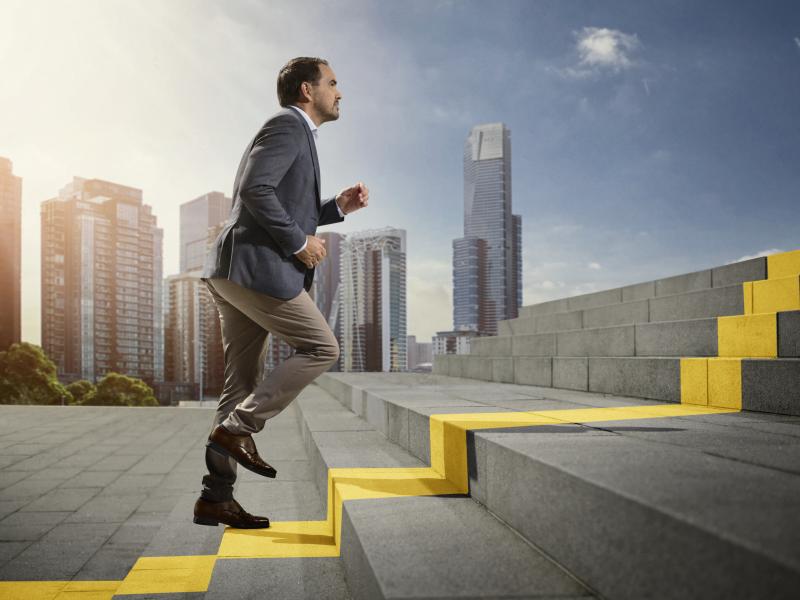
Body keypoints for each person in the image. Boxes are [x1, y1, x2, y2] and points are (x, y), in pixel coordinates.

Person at [193, 57, 369, 528]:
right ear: (307, 90)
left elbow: (284, 200)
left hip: (235, 271)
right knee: (321, 346)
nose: (340, 92)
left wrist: (336, 208)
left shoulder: (296, 135)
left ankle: (216, 497)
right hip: (256, 269)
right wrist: (298, 243)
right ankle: (238, 430)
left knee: (240, 385)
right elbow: (255, 189)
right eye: (333, 82)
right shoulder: (288, 125)